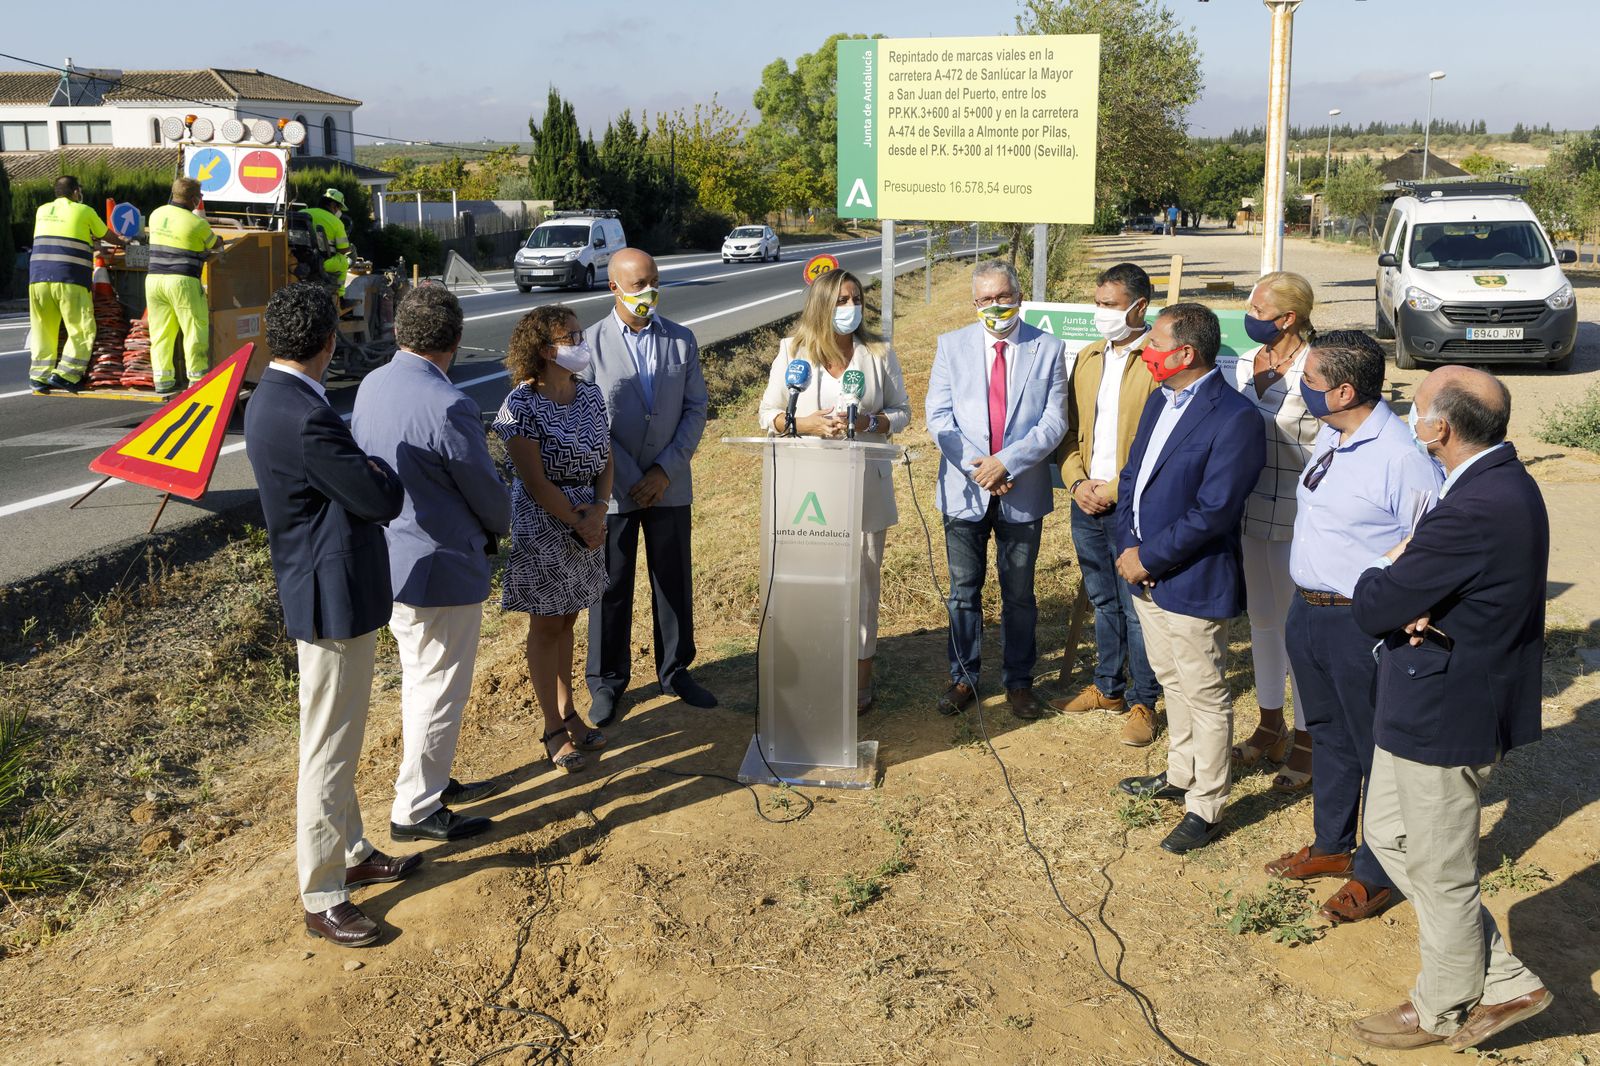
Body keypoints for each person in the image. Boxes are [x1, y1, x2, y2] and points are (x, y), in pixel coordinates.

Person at [1345, 367, 1552, 1052]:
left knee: (1441, 869)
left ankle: (1443, 1005)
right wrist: (1412, 588)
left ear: (1441, 428)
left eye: (1418, 407)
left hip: (1444, 710)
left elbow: (1376, 604)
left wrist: (1392, 568)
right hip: (1430, 696)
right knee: (1391, 834)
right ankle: (1502, 976)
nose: (1411, 415)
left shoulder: (1473, 507)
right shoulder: (1499, 483)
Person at [243, 282, 413, 948]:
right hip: (331, 599)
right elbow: (377, 497)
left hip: (320, 587)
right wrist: (377, 471)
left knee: (335, 739)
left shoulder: (273, 398)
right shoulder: (306, 415)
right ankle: (322, 892)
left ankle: (352, 850)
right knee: (329, 751)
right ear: (328, 344)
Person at [1262, 330, 1441, 926]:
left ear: (1343, 390)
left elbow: (1429, 548)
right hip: (1308, 612)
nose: (1300, 388)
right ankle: (1333, 844)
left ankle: (1377, 871)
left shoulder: (1402, 459)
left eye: (1309, 381)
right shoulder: (1336, 438)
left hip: (1359, 624)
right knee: (1329, 735)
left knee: (1375, 750)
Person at [352, 285, 511, 843]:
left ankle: (429, 778)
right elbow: (485, 491)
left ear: (399, 334)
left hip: (391, 560)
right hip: (441, 565)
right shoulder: (449, 404)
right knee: (438, 686)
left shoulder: (373, 383)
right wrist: (505, 520)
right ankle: (415, 807)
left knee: (420, 680)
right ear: (457, 340)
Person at [1113, 303, 1265, 854]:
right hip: (1144, 572)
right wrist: (1127, 546)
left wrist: (1149, 557)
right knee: (1171, 679)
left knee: (1204, 692)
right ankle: (1180, 775)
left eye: (1154, 342)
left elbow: (1215, 511)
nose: (1145, 350)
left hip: (1191, 577)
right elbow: (1133, 475)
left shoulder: (1236, 417)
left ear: (1185, 353)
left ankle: (1207, 804)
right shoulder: (1161, 398)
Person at [758, 268, 912, 711]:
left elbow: (901, 412)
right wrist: (801, 424)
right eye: (841, 300)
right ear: (821, 305)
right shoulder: (792, 351)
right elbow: (766, 413)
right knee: (812, 585)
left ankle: (860, 681)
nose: (851, 308)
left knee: (862, 584)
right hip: (807, 491)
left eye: (856, 299)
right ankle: (813, 673)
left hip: (864, 486)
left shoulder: (878, 352)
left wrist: (870, 422)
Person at [925, 260, 1067, 721]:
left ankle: (1019, 682)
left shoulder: (1048, 348)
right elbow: (939, 419)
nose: (995, 306)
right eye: (985, 299)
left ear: (1019, 297)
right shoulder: (951, 346)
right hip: (964, 491)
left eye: (1003, 296)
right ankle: (963, 676)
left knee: (1019, 593)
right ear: (973, 303)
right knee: (964, 590)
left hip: (1021, 489)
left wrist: (1007, 463)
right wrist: (980, 470)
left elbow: (1054, 421)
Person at [581, 248, 713, 724]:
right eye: (637, 285)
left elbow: (696, 409)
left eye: (653, 281)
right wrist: (636, 479)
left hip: (670, 485)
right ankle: (607, 681)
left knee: (672, 578)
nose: (648, 293)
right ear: (613, 287)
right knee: (610, 585)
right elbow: (591, 421)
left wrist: (664, 471)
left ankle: (676, 669)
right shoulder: (590, 344)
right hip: (613, 490)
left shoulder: (681, 340)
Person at [1048, 262, 1163, 745]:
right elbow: (1069, 428)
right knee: (1102, 599)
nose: (1101, 313)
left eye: (1110, 305)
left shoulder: (1159, 360)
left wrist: (1115, 488)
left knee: (1137, 603)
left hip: (1134, 502)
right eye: (1098, 303)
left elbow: (1161, 441)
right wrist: (1076, 483)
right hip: (1085, 500)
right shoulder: (1091, 356)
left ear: (1138, 306)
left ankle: (1144, 699)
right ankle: (1107, 686)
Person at [495, 306, 613, 772]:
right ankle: (552, 728)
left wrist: (600, 510)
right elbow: (536, 482)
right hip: (546, 525)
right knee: (545, 626)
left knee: (568, 621)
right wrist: (579, 521)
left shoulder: (590, 395)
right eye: (571, 337)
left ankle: (569, 713)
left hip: (589, 521)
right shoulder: (520, 407)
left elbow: (606, 458)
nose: (580, 343)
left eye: (579, 334)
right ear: (545, 349)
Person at [1230, 271, 1320, 792]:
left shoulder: (1317, 367)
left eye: (1258, 309)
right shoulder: (1245, 363)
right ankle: (1270, 724)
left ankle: (1308, 739)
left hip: (1297, 515)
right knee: (1261, 620)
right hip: (1246, 510)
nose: (1248, 315)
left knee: (1296, 630)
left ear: (1287, 318)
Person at [27, 175, 125, 393]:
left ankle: (38, 376)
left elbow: (63, 238)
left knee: (43, 328)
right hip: (70, 279)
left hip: (38, 278)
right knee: (81, 328)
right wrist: (123, 241)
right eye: (79, 190)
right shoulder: (84, 210)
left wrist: (92, 247)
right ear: (75, 192)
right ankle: (67, 374)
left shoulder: (42, 210)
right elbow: (107, 234)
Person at [145, 177, 221, 396]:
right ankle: (197, 379)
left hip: (154, 280)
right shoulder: (196, 223)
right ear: (194, 198)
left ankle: (163, 380)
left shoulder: (156, 214)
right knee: (194, 329)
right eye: (200, 196)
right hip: (182, 281)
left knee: (160, 332)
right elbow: (213, 243)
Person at [305, 188, 353, 295]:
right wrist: (350, 248)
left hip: (297, 260)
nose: (339, 211)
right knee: (343, 261)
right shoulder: (337, 222)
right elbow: (343, 250)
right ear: (332, 205)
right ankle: (340, 295)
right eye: (339, 207)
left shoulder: (302, 212)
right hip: (321, 263)